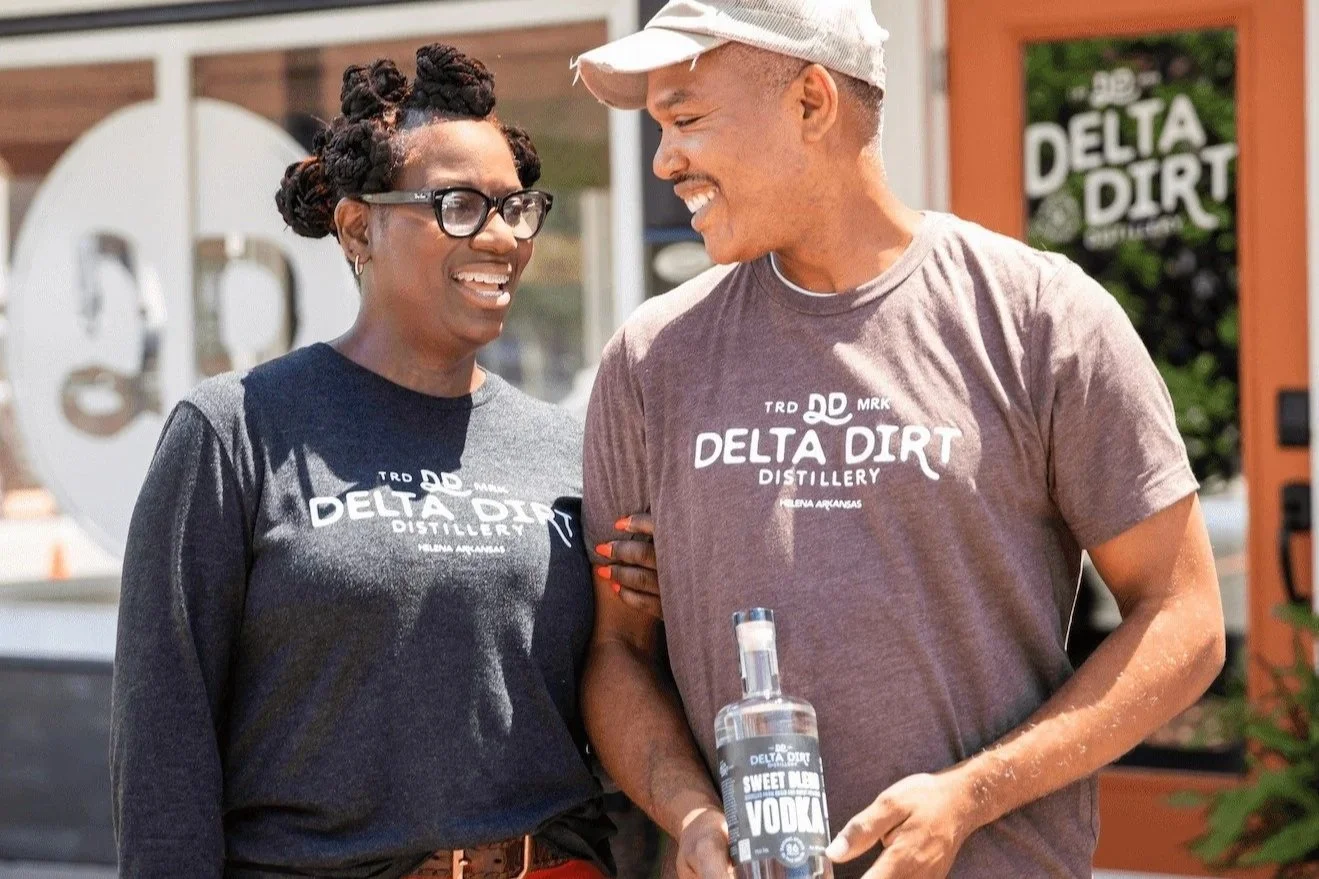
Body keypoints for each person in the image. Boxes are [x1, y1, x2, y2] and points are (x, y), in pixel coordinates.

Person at [571, 2, 1227, 878]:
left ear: (810, 102)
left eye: (685, 119)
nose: (664, 160)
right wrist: (689, 812)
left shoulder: (1039, 318)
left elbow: (1184, 620)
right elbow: (616, 653)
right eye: (658, 128)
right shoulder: (652, 357)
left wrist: (971, 794)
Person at [111, 43, 653, 879]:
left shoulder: (566, 449)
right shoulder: (235, 431)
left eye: (517, 207)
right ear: (359, 225)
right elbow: (162, 751)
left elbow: (614, 687)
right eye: (462, 206)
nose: (503, 237)